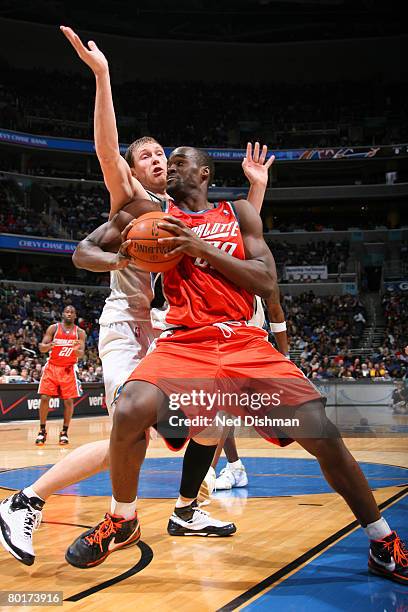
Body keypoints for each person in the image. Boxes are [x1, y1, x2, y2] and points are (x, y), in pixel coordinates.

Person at [64, 147, 408, 585]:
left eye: (180, 160)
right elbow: (82, 251)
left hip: (244, 340)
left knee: (322, 432)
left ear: (204, 173)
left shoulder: (239, 212)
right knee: (131, 407)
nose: (170, 165)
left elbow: (265, 281)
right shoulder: (152, 214)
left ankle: (382, 542)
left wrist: (198, 245)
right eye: (165, 162)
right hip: (186, 341)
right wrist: (120, 259)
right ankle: (123, 519)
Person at [0, 27, 273, 566]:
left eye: (161, 155)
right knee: (135, 432)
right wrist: (102, 77)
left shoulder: (179, 209)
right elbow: (105, 150)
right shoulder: (131, 203)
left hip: (171, 331)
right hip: (127, 324)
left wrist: (257, 189)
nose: (156, 160)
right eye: (146, 155)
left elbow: (238, 238)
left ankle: (185, 508)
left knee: (215, 417)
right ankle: (26, 500)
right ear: (132, 167)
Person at [210, 291, 289, 491]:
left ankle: (206, 473)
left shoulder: (253, 270)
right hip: (224, 341)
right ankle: (234, 467)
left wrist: (285, 357)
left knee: (223, 407)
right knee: (221, 407)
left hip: (247, 344)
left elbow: (275, 309)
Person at [35, 305, 86, 446]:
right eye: (67, 312)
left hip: (68, 369)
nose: (69, 314)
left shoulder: (80, 332)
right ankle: (42, 430)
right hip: (52, 367)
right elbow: (41, 347)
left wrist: (76, 351)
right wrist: (50, 345)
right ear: (63, 314)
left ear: (75, 315)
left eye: (72, 312)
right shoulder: (53, 328)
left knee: (69, 401)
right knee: (45, 397)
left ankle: (64, 432)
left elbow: (81, 353)